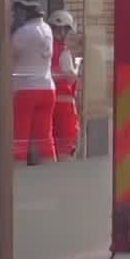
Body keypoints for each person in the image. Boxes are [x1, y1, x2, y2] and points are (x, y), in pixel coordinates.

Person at [9, 0, 58, 164]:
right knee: (45, 139)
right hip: (47, 89)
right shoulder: (47, 30)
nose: (14, 14)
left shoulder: (22, 33)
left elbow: (6, 57)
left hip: (25, 90)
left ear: (22, 8)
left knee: (20, 139)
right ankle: (51, 176)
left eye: (15, 9)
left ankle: (17, 179)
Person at [48, 9, 82, 159]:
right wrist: (78, 70)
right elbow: (70, 78)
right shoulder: (64, 53)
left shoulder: (45, 49)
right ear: (64, 31)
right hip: (64, 107)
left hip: (48, 103)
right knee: (65, 146)